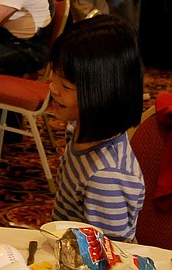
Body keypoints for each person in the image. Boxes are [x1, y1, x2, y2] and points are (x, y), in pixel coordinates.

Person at [49, 15, 145, 242]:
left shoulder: (106, 178)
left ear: (103, 93)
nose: (52, 88)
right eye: (53, 75)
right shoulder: (80, 127)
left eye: (66, 85)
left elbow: (108, 257)